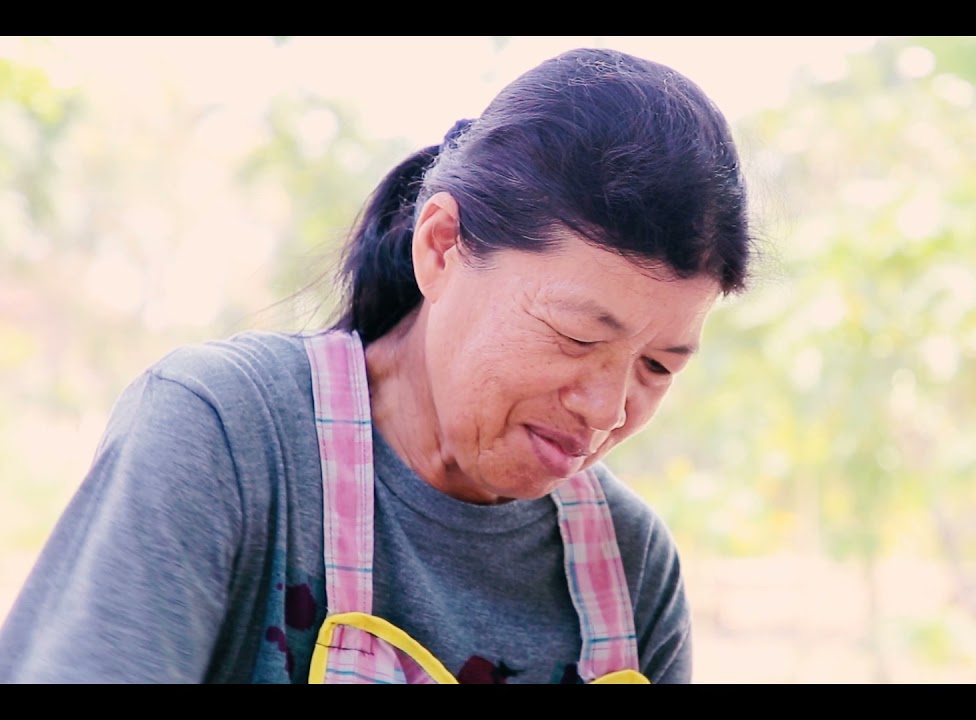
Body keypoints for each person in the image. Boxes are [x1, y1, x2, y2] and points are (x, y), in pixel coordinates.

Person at [0, 46, 756, 684]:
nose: (605, 408)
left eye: (657, 368)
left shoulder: (631, 571)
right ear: (440, 247)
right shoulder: (227, 437)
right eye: (577, 337)